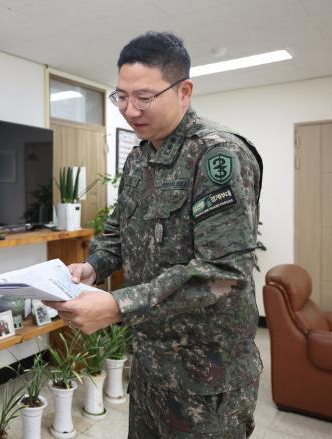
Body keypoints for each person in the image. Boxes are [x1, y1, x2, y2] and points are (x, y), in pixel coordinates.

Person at [45, 32, 263, 438]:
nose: (130, 110)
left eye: (144, 97)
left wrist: (119, 305)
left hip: (206, 377)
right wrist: (93, 267)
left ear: (184, 92)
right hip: (149, 364)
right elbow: (118, 232)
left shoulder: (217, 154)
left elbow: (223, 272)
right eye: (122, 97)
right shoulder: (140, 157)